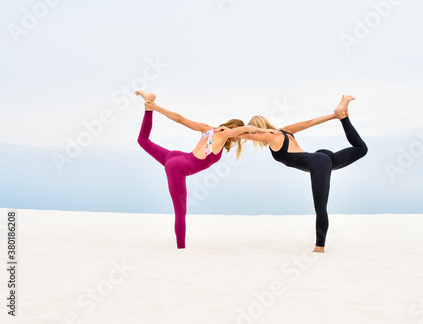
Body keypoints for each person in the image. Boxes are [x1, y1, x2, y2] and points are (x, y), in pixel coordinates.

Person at [136, 90, 279, 249]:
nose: (236, 139)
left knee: (143, 140)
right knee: (180, 211)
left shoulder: (207, 129)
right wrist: (265, 131)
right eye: (237, 135)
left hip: (173, 156)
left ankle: (147, 108)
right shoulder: (222, 136)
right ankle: (181, 250)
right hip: (178, 167)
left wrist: (155, 107)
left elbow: (180, 119)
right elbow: (242, 129)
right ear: (233, 128)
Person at [239, 95, 367, 253]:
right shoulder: (285, 130)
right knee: (361, 149)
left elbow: (243, 134)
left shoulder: (270, 136)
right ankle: (343, 117)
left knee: (320, 208)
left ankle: (319, 248)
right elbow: (311, 122)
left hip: (317, 162)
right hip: (321, 157)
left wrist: (224, 132)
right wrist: (336, 116)